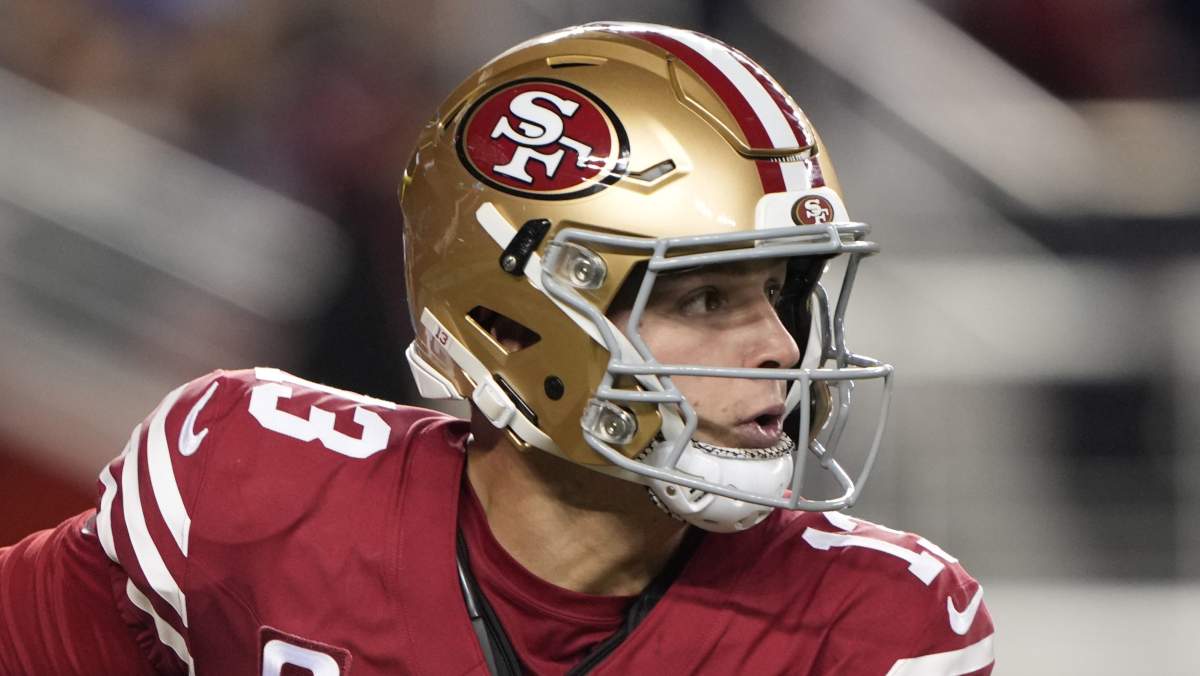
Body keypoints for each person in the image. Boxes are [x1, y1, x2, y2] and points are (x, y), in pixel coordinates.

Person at [0, 22, 994, 676]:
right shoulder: (251, 491)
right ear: (511, 320)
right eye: (704, 298)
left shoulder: (872, 625)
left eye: (780, 294)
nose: (779, 347)